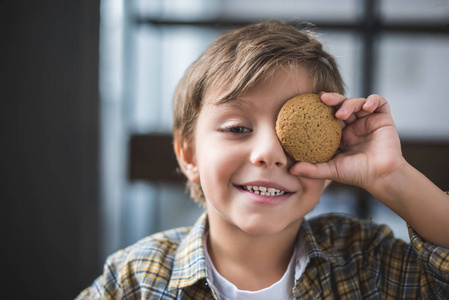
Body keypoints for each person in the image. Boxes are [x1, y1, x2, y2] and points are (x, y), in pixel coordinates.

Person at [77, 20, 449, 299]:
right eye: (237, 128)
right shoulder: (135, 279)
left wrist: (391, 176)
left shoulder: (368, 261)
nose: (269, 153)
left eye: (293, 136)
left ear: (331, 148)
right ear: (188, 154)